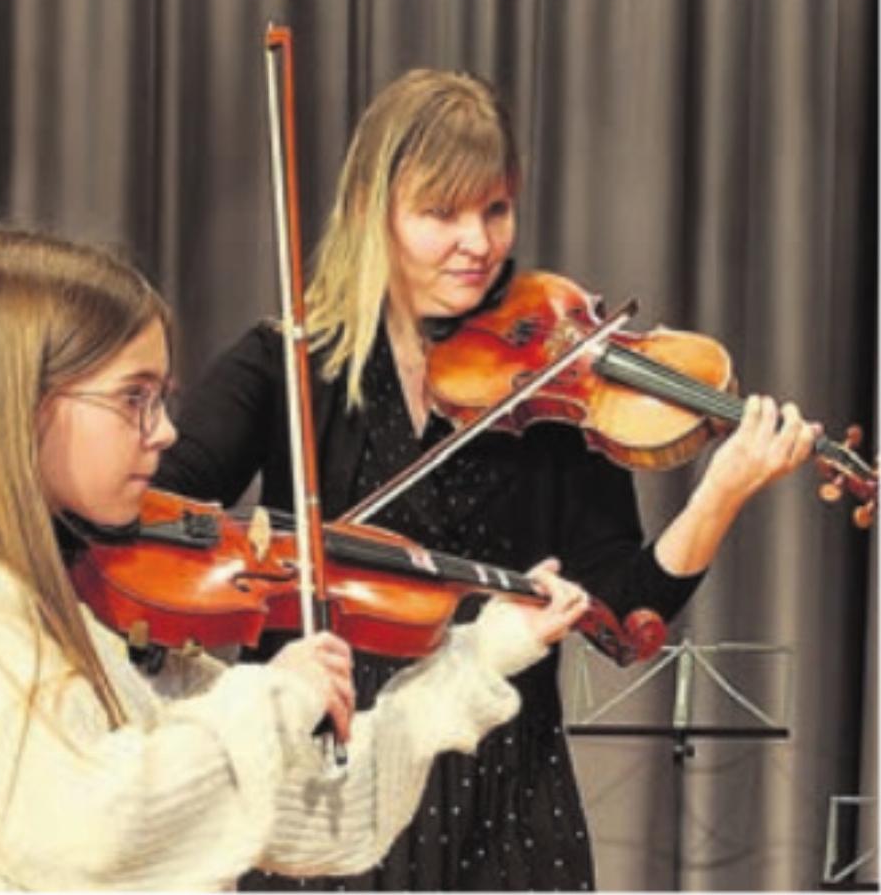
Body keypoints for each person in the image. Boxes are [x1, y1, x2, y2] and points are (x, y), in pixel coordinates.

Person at [153, 69, 822, 891]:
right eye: (442, 212)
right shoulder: (286, 362)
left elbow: (624, 617)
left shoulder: (550, 380)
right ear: (372, 210)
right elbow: (163, 499)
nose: (478, 242)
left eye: (495, 209)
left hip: (507, 799)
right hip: (330, 782)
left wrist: (720, 494)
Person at [0, 227, 592, 891]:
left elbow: (332, 814)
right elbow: (93, 829)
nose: (163, 432)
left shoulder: (87, 609)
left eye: (162, 399)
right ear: (19, 404)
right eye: (133, 398)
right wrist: (278, 695)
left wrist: (482, 652)